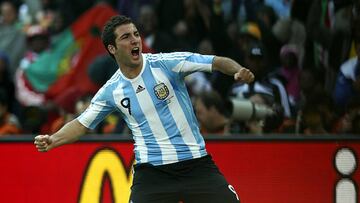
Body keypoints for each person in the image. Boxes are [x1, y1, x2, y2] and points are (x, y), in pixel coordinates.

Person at [34, 15, 254, 203]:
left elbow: (214, 61)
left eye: (136, 34)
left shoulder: (167, 64)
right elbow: (82, 124)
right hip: (152, 174)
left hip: (196, 164)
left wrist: (238, 70)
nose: (134, 40)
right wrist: (53, 139)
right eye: (126, 37)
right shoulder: (112, 90)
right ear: (112, 48)